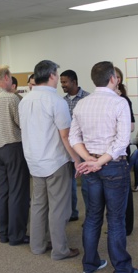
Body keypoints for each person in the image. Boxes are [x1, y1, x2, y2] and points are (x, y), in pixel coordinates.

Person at [69, 61, 138, 273]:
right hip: (113, 166)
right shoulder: (119, 102)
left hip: (91, 166)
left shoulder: (82, 104)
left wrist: (89, 160)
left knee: (93, 216)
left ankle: (90, 263)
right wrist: (98, 162)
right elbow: (122, 142)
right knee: (115, 219)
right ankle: (122, 271)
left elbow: (74, 138)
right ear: (113, 78)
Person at [20, 60, 81, 260]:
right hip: (55, 161)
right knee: (58, 207)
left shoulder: (24, 100)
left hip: (34, 160)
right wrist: (76, 159)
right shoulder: (56, 101)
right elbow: (65, 135)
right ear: (52, 75)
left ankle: (37, 245)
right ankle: (60, 250)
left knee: (38, 204)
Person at [0, 66, 30, 246]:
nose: (11, 81)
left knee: (3, 191)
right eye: (10, 78)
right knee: (18, 191)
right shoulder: (11, 98)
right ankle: (16, 234)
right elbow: (21, 123)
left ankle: (3, 232)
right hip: (13, 147)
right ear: (5, 78)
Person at [60, 69, 90, 221]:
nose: (62, 85)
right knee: (69, 183)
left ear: (74, 82)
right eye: (61, 82)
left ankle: (90, 217)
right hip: (68, 147)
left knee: (87, 184)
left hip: (84, 147)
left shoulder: (88, 98)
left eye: (65, 82)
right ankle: (72, 213)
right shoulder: (61, 101)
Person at [114, 66, 135, 236]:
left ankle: (127, 226)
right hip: (107, 150)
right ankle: (115, 224)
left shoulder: (124, 100)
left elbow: (132, 126)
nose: (115, 79)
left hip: (121, 149)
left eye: (118, 76)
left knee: (124, 188)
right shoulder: (104, 99)